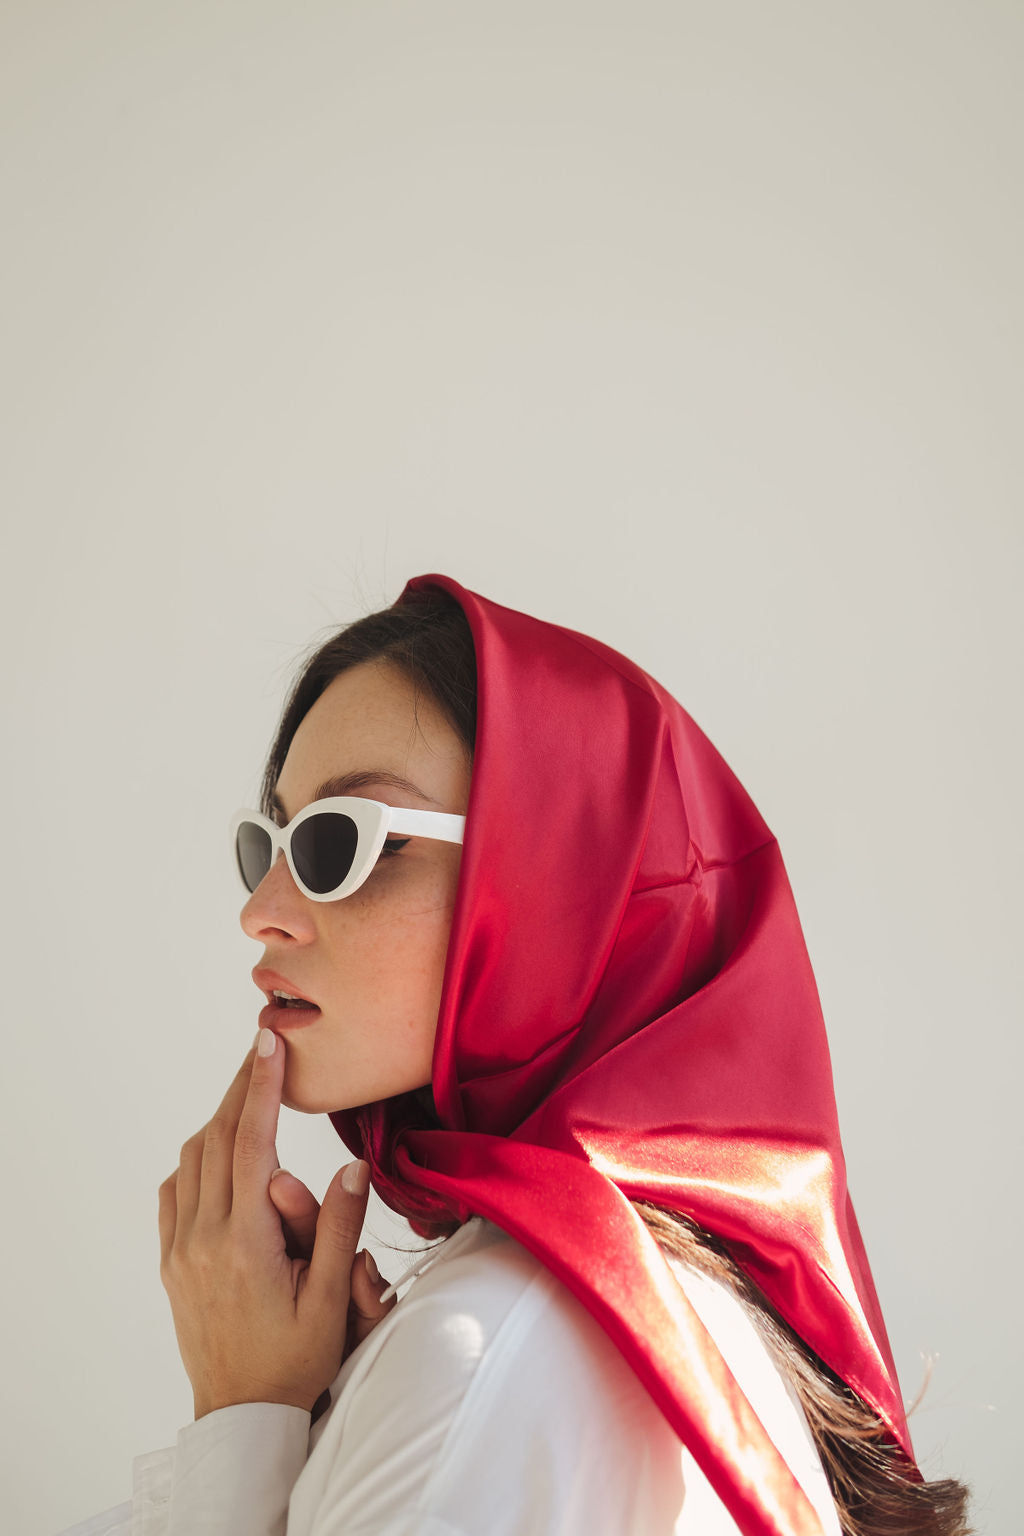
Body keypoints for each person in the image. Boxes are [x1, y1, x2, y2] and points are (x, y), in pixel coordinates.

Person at [61, 573, 971, 1536]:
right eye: (272, 844)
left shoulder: (485, 1352)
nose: (262, 912)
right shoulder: (617, 1308)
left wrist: (244, 1427)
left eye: (340, 843)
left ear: (556, 886)